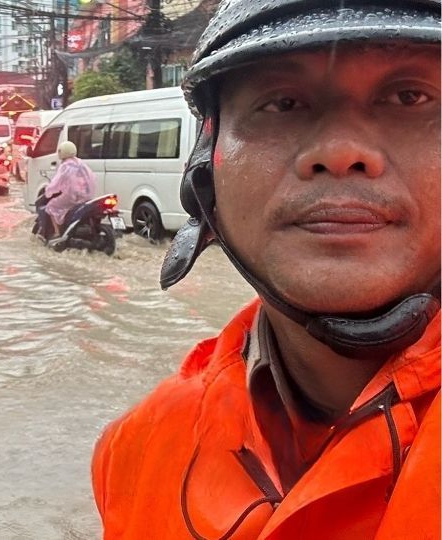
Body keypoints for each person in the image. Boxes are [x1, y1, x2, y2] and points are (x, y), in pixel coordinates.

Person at [92, 1, 440, 538]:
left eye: (409, 97)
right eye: (282, 104)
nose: (341, 151)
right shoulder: (134, 450)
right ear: (206, 170)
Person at [43, 141, 96, 237]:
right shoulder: (81, 163)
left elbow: (57, 182)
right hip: (86, 196)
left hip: (72, 196)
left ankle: (57, 233)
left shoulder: (66, 165)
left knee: (51, 207)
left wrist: (49, 191)